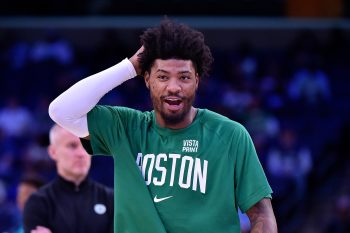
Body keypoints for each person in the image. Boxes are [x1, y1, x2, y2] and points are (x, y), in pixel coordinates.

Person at [49, 19, 277, 233]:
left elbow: (261, 214)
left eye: (184, 77)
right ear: (147, 79)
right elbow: (62, 111)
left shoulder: (230, 135)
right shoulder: (125, 127)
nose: (174, 87)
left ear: (197, 80)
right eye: (163, 77)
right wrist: (129, 67)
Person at [23, 124, 114, 233]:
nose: (81, 153)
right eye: (72, 146)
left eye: (86, 145)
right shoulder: (38, 202)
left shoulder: (111, 199)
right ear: (53, 152)